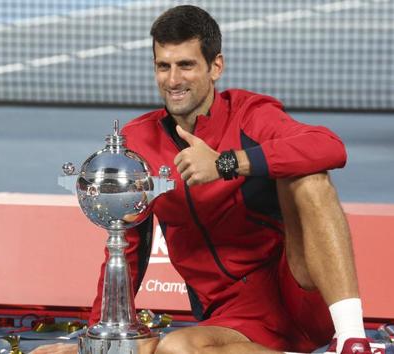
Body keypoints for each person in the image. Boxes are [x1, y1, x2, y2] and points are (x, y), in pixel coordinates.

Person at [32, 5, 369, 354]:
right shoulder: (140, 143)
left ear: (216, 67)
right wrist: (97, 338)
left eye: (186, 65)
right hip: (232, 318)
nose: (174, 79)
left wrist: (226, 163)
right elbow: (128, 248)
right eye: (164, 66)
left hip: (299, 289)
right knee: (174, 349)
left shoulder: (249, 114)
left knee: (308, 177)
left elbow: (329, 147)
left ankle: (352, 339)